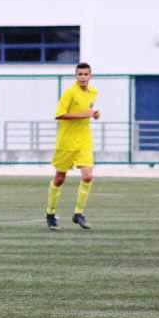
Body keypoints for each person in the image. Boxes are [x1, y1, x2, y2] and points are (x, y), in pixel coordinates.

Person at [45, 62, 100, 231]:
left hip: (84, 141)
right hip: (66, 142)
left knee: (88, 176)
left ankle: (79, 213)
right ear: (76, 76)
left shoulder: (93, 92)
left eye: (86, 74)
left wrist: (94, 114)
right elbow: (60, 115)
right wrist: (84, 114)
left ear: (90, 76)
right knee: (60, 178)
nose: (83, 77)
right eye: (80, 74)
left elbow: (88, 111)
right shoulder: (69, 92)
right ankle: (50, 213)